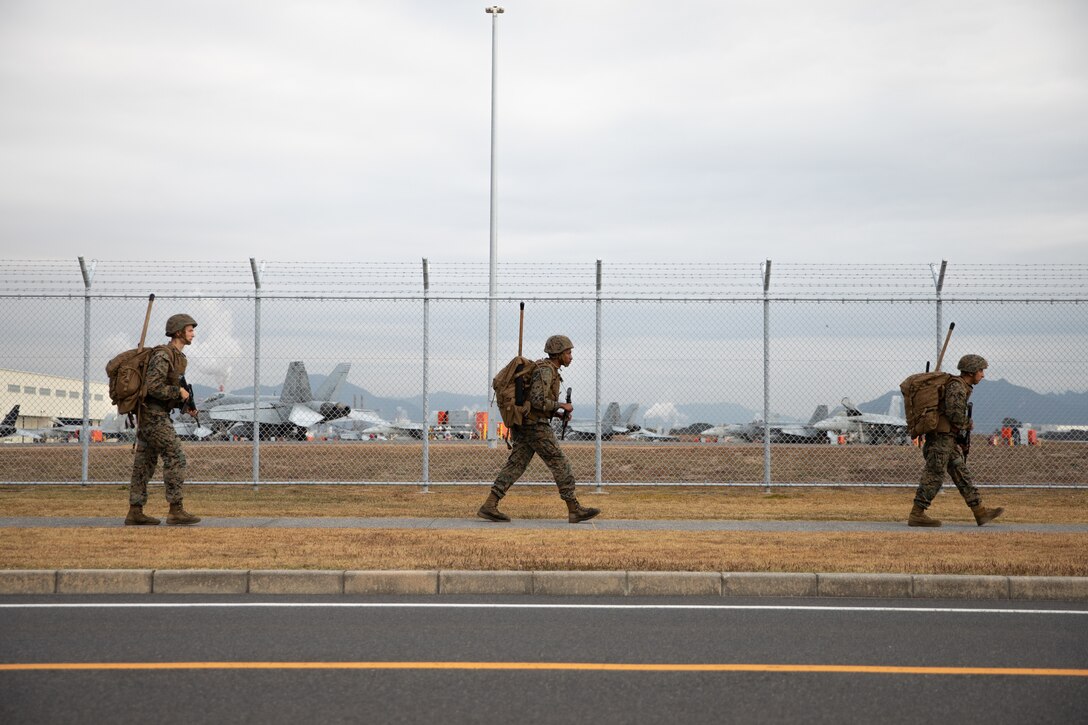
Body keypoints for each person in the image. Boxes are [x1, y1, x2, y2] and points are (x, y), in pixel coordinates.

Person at [478, 334, 600, 524]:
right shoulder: (546, 371)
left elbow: (537, 403)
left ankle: (490, 504)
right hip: (535, 427)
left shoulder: (547, 369)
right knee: (559, 462)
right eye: (568, 353)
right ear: (558, 354)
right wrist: (562, 405)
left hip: (528, 424)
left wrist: (557, 414)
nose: (571, 357)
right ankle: (573, 508)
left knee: (516, 465)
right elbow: (537, 400)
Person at [908, 354, 1004, 527]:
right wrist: (967, 424)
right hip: (940, 440)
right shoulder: (957, 388)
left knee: (961, 474)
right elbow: (954, 414)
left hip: (947, 439)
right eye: (981, 371)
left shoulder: (961, 387)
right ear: (971, 371)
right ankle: (917, 514)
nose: (982, 375)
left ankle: (980, 512)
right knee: (934, 475)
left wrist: (959, 434)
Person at [124, 313, 201, 526]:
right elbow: (154, 387)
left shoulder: (178, 357)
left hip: (156, 413)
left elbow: (164, 391)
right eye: (189, 330)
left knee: (144, 462)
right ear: (178, 332)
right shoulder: (164, 356)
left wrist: (183, 405)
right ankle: (176, 510)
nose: (193, 334)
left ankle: (135, 510)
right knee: (175, 456)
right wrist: (180, 393)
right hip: (152, 415)